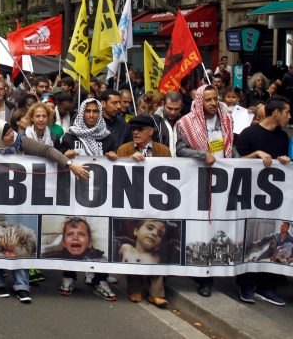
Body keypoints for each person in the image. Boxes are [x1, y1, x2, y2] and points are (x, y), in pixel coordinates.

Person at [0, 120, 90, 303]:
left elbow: (47, 151)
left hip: (21, 201)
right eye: (6, 134)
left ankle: (21, 285)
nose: (12, 135)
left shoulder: (21, 142)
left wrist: (69, 164)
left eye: (12, 130)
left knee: (19, 240)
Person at [176, 84, 235, 297]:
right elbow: (180, 150)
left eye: (215, 99)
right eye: (208, 100)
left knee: (220, 228)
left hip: (222, 182)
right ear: (200, 101)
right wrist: (202, 154)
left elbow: (230, 147)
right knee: (202, 229)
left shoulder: (227, 120)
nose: (212, 103)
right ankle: (204, 278)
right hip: (199, 183)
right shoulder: (186, 123)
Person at [234, 97, 291, 306]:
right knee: (253, 241)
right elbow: (234, 163)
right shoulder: (249, 134)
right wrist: (256, 154)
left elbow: (282, 165)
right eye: (287, 112)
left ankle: (268, 287)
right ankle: (247, 285)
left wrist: (285, 161)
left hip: (274, 202)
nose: (289, 116)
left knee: (274, 242)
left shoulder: (283, 137)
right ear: (276, 113)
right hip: (250, 199)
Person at [116, 115, 171, 307]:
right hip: (134, 203)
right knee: (135, 246)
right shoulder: (125, 149)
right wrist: (128, 161)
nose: (136, 132)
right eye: (133, 129)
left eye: (140, 129)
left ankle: (156, 292)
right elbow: (118, 174)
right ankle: (135, 289)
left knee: (158, 248)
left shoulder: (163, 151)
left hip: (156, 205)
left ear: (151, 131)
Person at [152, 91, 183, 156]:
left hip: (181, 165)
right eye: (169, 108)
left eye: (177, 109)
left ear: (181, 106)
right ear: (163, 104)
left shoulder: (185, 123)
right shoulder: (153, 122)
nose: (173, 112)